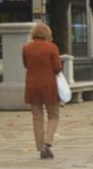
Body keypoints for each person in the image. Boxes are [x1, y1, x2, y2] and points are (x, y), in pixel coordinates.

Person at [23, 22, 63, 159]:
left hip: (32, 86)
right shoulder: (52, 47)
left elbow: (25, 64)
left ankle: (40, 147)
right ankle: (47, 143)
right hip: (48, 86)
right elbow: (57, 68)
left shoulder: (26, 48)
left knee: (37, 117)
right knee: (54, 115)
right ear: (47, 34)